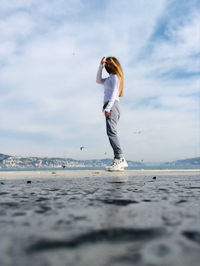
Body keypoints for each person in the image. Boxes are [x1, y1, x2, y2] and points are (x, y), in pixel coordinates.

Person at [96, 56, 128, 171]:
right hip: (111, 106)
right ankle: (118, 160)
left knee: (111, 132)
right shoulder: (110, 78)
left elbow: (114, 93)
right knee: (111, 132)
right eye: (106, 64)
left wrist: (108, 108)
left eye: (108, 63)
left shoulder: (115, 77)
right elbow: (98, 80)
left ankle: (120, 158)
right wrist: (100, 66)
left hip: (112, 106)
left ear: (113, 65)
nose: (106, 65)